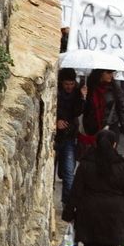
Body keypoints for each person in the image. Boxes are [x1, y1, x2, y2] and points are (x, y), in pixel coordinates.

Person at [79, 69, 124, 154]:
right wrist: (82, 98)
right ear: (100, 73)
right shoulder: (88, 87)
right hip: (92, 129)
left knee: (109, 156)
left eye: (112, 73)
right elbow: (80, 111)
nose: (111, 75)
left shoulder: (115, 89)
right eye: (108, 73)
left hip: (110, 129)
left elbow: (122, 112)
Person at [55, 67, 83, 207]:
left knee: (68, 172)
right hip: (55, 137)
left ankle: (68, 205)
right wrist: (56, 121)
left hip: (69, 136)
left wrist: (83, 98)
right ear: (61, 82)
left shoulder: (77, 93)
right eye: (67, 84)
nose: (69, 87)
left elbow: (77, 112)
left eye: (72, 84)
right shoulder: (55, 92)